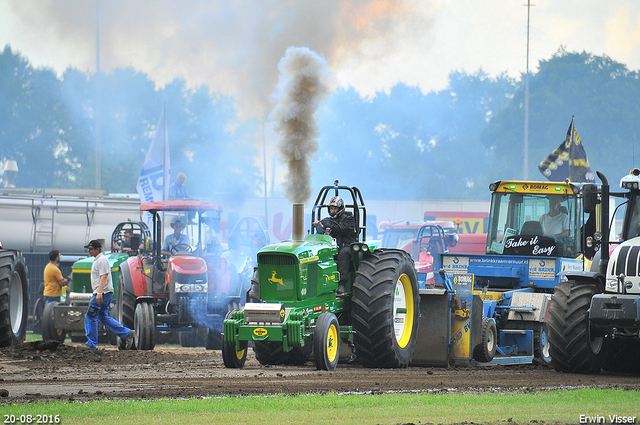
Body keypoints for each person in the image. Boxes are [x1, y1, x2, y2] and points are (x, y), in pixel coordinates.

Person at [82, 240, 134, 350]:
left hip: (102, 293)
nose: (89, 251)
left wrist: (99, 293)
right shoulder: (99, 260)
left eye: (91, 249)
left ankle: (91, 344)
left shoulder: (101, 260)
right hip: (105, 293)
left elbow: (104, 276)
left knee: (90, 316)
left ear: (97, 249)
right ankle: (127, 333)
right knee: (103, 317)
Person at [312, 196, 357, 294]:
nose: (333, 211)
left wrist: (326, 225)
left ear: (340, 209)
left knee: (343, 252)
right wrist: (319, 226)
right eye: (331, 209)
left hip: (347, 247)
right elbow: (321, 233)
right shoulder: (327, 220)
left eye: (335, 209)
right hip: (331, 247)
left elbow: (341, 229)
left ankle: (341, 284)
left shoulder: (349, 219)